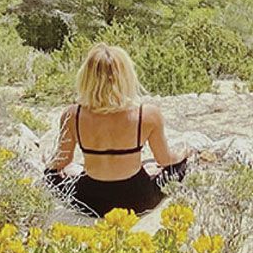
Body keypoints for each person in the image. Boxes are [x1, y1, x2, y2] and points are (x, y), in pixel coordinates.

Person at [44, 43, 190, 217]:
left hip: (90, 201)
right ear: (126, 77)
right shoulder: (147, 114)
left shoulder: (72, 114)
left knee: (49, 174)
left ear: (86, 78)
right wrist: (184, 154)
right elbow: (165, 159)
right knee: (181, 166)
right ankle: (148, 167)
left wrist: (49, 164)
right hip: (138, 200)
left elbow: (61, 162)